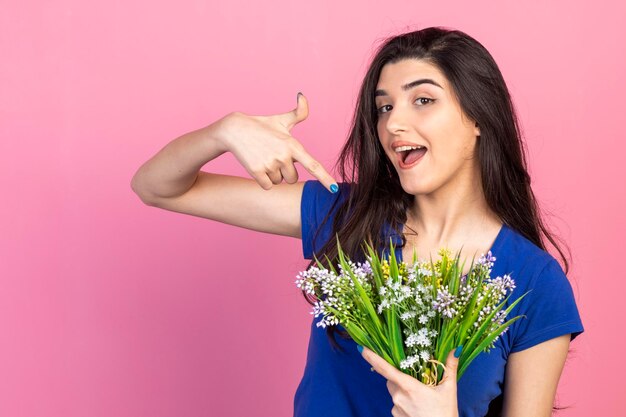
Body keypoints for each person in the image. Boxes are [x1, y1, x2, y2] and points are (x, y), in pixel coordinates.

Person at [131, 26, 584, 417]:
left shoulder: (535, 284)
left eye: (422, 100)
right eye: (384, 107)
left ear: (478, 118)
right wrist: (223, 132)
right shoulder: (347, 217)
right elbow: (157, 187)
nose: (393, 125)